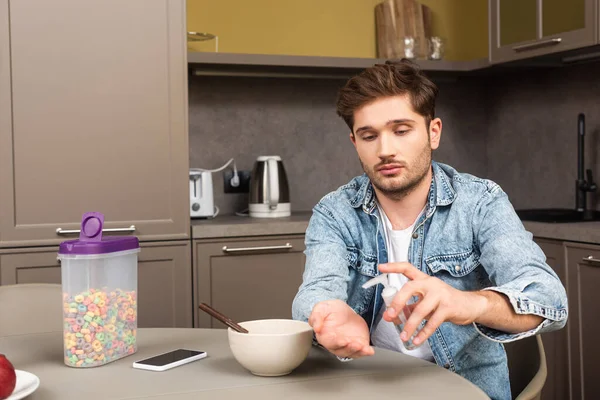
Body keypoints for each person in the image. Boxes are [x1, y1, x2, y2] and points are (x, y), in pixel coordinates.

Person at [291, 59, 568, 400]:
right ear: (355, 142)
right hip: (363, 387)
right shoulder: (334, 212)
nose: (385, 150)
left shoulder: (480, 202)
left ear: (433, 132)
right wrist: (326, 315)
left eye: (401, 130)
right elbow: (316, 291)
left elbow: (550, 299)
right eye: (369, 135)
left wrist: (470, 304)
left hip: (467, 391)